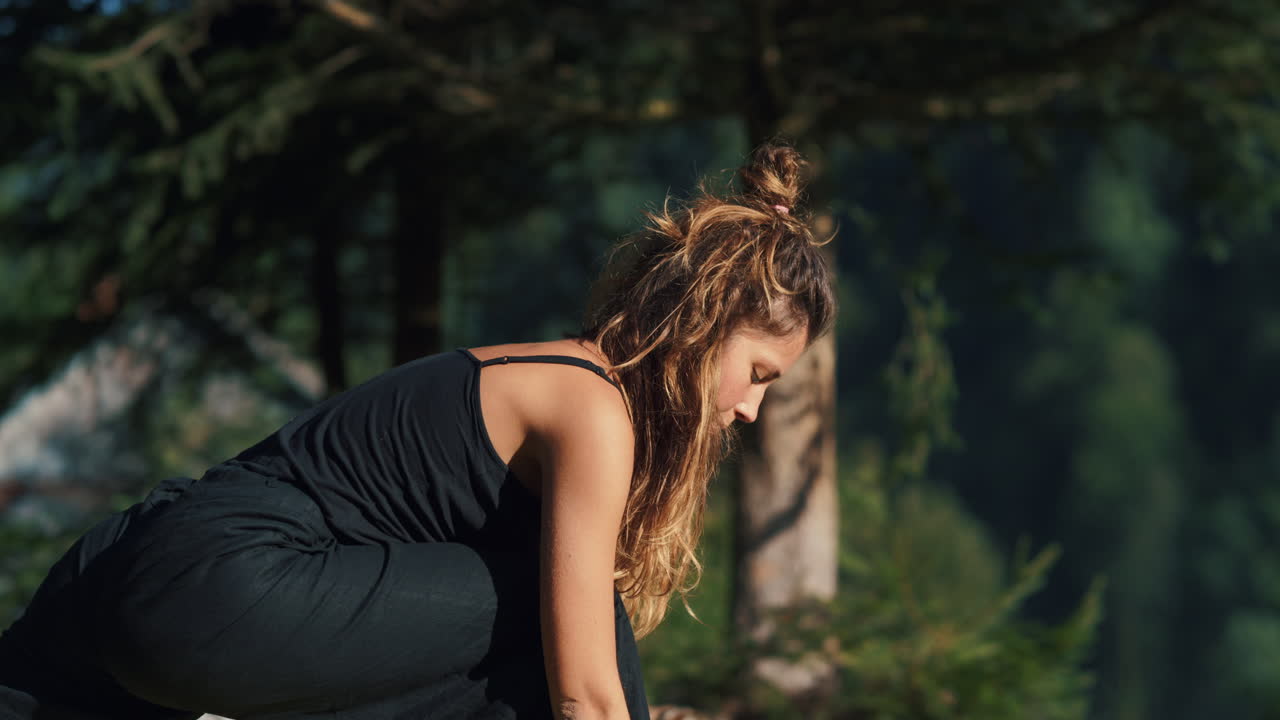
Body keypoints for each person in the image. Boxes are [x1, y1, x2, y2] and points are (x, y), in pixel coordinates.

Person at [0, 143, 836, 720]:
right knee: (571, 618)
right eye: (758, 375)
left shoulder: (553, 374)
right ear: (706, 320)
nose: (750, 412)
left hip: (144, 587)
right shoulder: (594, 410)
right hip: (220, 588)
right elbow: (586, 692)